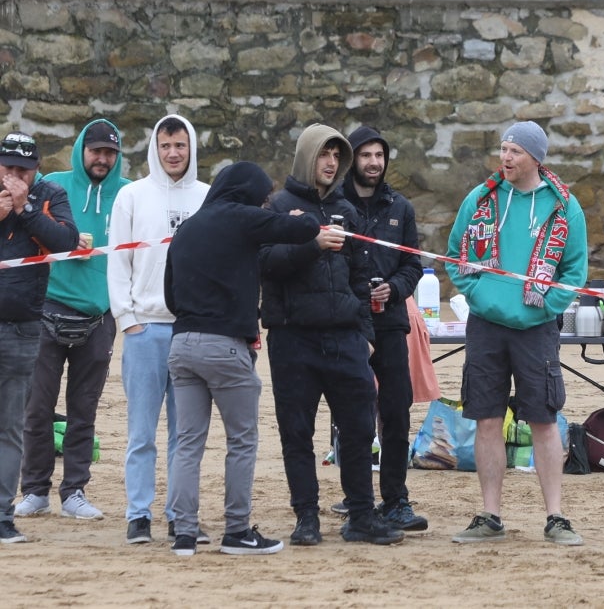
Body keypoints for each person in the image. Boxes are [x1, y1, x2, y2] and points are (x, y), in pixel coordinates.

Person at [163, 161, 320, 557]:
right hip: (225, 345)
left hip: (181, 344)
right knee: (242, 441)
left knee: (187, 443)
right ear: (249, 192)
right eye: (263, 195)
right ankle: (236, 530)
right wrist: (296, 214)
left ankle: (184, 533)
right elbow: (305, 231)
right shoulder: (243, 218)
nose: (265, 202)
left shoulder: (186, 229)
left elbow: (169, 296)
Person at [445, 121, 588, 546]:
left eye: (515, 151)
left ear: (536, 159)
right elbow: (454, 254)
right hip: (486, 325)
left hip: (535, 328)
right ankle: (490, 515)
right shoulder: (481, 198)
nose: (506, 158)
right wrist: (478, 293)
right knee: (487, 419)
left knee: (544, 419)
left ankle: (556, 517)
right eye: (503, 149)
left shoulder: (564, 207)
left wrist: (547, 306)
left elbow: (575, 269)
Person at [260, 125, 402, 547]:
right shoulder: (276, 206)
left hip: (345, 338)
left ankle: (361, 515)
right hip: (292, 338)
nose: (331, 163)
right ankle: (306, 517)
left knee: (358, 430)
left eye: (337, 156)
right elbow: (265, 264)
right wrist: (312, 243)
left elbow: (362, 274)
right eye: (324, 154)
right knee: (296, 433)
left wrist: (366, 333)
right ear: (307, 157)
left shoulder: (348, 210)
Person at [17, 119, 128, 525]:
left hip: (100, 316)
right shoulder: (52, 185)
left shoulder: (129, 193)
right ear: (81, 149)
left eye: (109, 152)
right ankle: (34, 490)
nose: (102, 158)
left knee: (85, 410)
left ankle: (75, 491)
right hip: (47, 309)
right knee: (37, 408)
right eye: (95, 150)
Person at [106, 114, 210, 545]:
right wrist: (127, 320)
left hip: (190, 331)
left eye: (180, 146)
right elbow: (117, 261)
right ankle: (138, 515)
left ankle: (179, 514)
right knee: (141, 430)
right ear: (155, 147)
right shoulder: (132, 196)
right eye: (166, 145)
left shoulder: (208, 197)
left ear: (191, 149)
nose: (173, 153)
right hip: (145, 330)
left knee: (184, 434)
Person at [334, 125, 427, 533]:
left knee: (396, 412)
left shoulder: (400, 208)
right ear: (351, 158)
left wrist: (397, 288)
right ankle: (358, 502)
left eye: (379, 155)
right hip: (350, 323)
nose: (373, 162)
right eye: (366, 155)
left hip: (390, 323)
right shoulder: (335, 205)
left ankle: (396, 500)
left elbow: (413, 264)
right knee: (352, 415)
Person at [0, 132, 79, 544]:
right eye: (7, 168)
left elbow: (67, 241)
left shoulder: (50, 194)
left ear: (35, 171)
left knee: (10, 426)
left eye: (22, 171)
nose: (13, 177)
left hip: (22, 326)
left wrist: (26, 208)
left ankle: (1, 516)